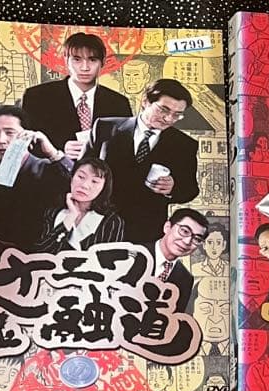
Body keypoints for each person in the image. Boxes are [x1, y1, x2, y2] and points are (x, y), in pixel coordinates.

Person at [86, 78, 200, 244]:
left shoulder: (184, 145)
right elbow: (80, 170)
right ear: (145, 101)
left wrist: (172, 188)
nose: (169, 119)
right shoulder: (105, 127)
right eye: (163, 110)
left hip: (146, 229)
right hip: (97, 222)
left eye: (177, 115)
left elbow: (190, 189)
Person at [0, 104, 71, 250]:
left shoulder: (49, 170)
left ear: (27, 135)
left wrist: (53, 153)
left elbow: (81, 185)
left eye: (9, 132)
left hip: (45, 254)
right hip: (0, 257)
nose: (0, 140)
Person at [21, 31, 132, 151]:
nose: (85, 67)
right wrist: (58, 150)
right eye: (77, 60)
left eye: (92, 60)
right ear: (66, 60)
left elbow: (126, 149)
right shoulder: (37, 97)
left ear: (103, 62)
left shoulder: (119, 103)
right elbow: (24, 145)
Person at [36, 156, 124, 251]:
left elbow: (109, 258)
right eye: (81, 177)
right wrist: (71, 216)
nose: (85, 185)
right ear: (71, 178)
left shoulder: (112, 221)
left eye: (94, 181)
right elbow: (40, 252)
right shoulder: (53, 213)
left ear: (104, 188)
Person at [150, 208, 208, 313]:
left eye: (197, 239)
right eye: (184, 231)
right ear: (167, 227)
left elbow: (173, 318)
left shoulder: (186, 279)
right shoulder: (130, 253)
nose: (187, 241)